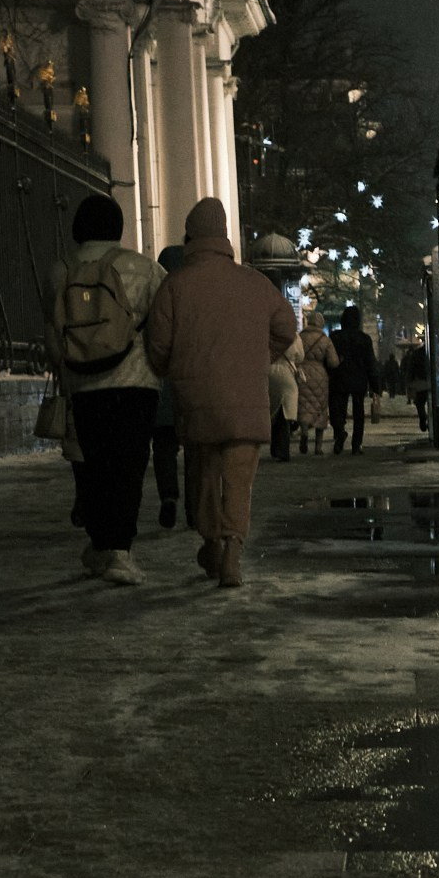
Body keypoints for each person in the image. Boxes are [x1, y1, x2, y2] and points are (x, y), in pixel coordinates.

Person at [144, 196, 296, 589]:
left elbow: (157, 346)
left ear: (190, 237)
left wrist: (174, 370)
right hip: (246, 402)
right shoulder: (255, 283)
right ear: (224, 237)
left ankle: (211, 542)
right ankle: (232, 550)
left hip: (196, 402)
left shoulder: (174, 285)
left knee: (204, 476)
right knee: (240, 480)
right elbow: (285, 327)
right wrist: (260, 357)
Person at [48, 192, 163, 584]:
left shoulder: (59, 270)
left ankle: (100, 544)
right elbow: (164, 324)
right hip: (134, 384)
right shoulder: (143, 269)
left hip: (83, 386)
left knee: (93, 467)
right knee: (128, 467)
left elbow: (53, 331)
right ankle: (119, 550)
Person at [149, 242, 185, 530]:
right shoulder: (196, 297)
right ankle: (197, 508)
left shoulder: (153, 297)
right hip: (192, 385)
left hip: (161, 387)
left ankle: (169, 496)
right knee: (199, 450)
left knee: (163, 449)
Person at [328, 304, 377, 454]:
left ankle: (339, 433)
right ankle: (357, 444)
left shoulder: (335, 337)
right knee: (358, 411)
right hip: (359, 379)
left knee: (337, 409)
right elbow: (370, 363)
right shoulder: (364, 339)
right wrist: (375, 385)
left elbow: (329, 360)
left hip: (339, 377)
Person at [297, 310, 336, 454]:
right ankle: (318, 446)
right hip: (320, 375)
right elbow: (333, 362)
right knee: (320, 408)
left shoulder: (300, 337)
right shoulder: (325, 339)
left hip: (302, 374)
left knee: (304, 405)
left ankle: (304, 431)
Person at [269, 323, 303, 461]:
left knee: (272, 411)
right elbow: (300, 356)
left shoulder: (268, 335)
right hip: (286, 373)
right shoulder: (294, 337)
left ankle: (274, 447)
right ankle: (282, 449)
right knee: (286, 411)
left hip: (268, 372)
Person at [401, 335, 431, 433]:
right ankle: (429, 421)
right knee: (428, 402)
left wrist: (409, 382)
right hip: (430, 381)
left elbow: (410, 370)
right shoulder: (431, 353)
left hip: (419, 382)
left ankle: (423, 418)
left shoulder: (416, 354)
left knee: (420, 403)